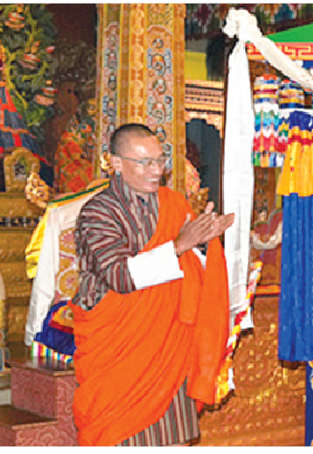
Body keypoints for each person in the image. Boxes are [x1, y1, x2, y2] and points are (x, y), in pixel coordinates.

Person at [69, 123, 234, 445]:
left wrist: (205, 242)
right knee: (118, 436)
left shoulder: (173, 203)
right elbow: (119, 276)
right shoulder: (98, 213)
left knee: (174, 437)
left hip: (169, 344)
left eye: (160, 160)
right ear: (116, 163)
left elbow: (191, 265)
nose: (156, 170)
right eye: (144, 162)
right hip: (120, 352)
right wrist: (180, 245)